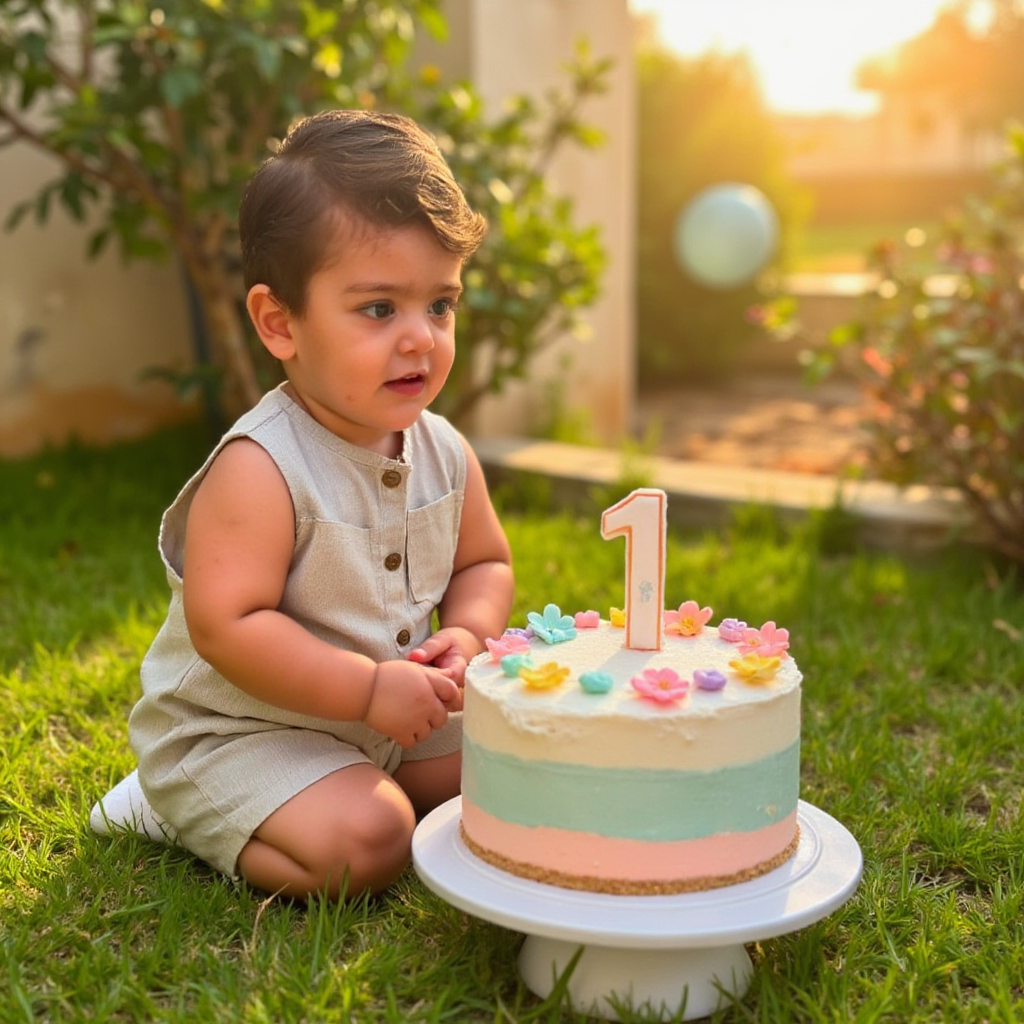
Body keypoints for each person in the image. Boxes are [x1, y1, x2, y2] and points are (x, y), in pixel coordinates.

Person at [91, 109, 514, 901]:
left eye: (441, 305)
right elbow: (229, 626)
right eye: (380, 309)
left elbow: (484, 561)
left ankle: (362, 779)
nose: (421, 337)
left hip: (387, 717)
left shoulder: (445, 451)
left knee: (510, 781)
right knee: (370, 841)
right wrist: (365, 691)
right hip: (243, 733)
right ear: (280, 322)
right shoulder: (263, 468)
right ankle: (172, 805)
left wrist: (466, 633)